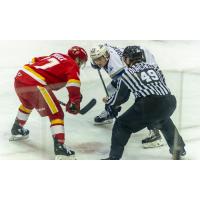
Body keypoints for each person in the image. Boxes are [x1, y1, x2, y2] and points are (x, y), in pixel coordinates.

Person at [102, 46, 186, 160]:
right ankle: (179, 149)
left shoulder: (127, 73)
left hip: (149, 104)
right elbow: (162, 85)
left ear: (127, 59)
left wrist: (109, 101)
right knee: (163, 120)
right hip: (170, 101)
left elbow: (121, 98)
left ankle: (114, 157)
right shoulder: (154, 68)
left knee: (121, 125)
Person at [10, 46, 88, 160]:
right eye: (81, 61)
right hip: (35, 84)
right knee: (57, 114)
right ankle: (60, 148)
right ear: (77, 60)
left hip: (20, 78)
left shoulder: (57, 55)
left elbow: (34, 60)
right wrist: (75, 101)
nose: (80, 64)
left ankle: (17, 128)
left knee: (28, 104)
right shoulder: (72, 65)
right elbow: (74, 83)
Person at [90, 44, 163, 148]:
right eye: (95, 60)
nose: (97, 62)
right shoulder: (105, 52)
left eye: (99, 59)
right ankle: (109, 113)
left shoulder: (116, 66)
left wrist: (112, 102)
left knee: (145, 98)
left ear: (106, 56)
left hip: (145, 60)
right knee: (111, 88)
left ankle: (155, 133)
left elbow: (123, 94)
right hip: (132, 59)